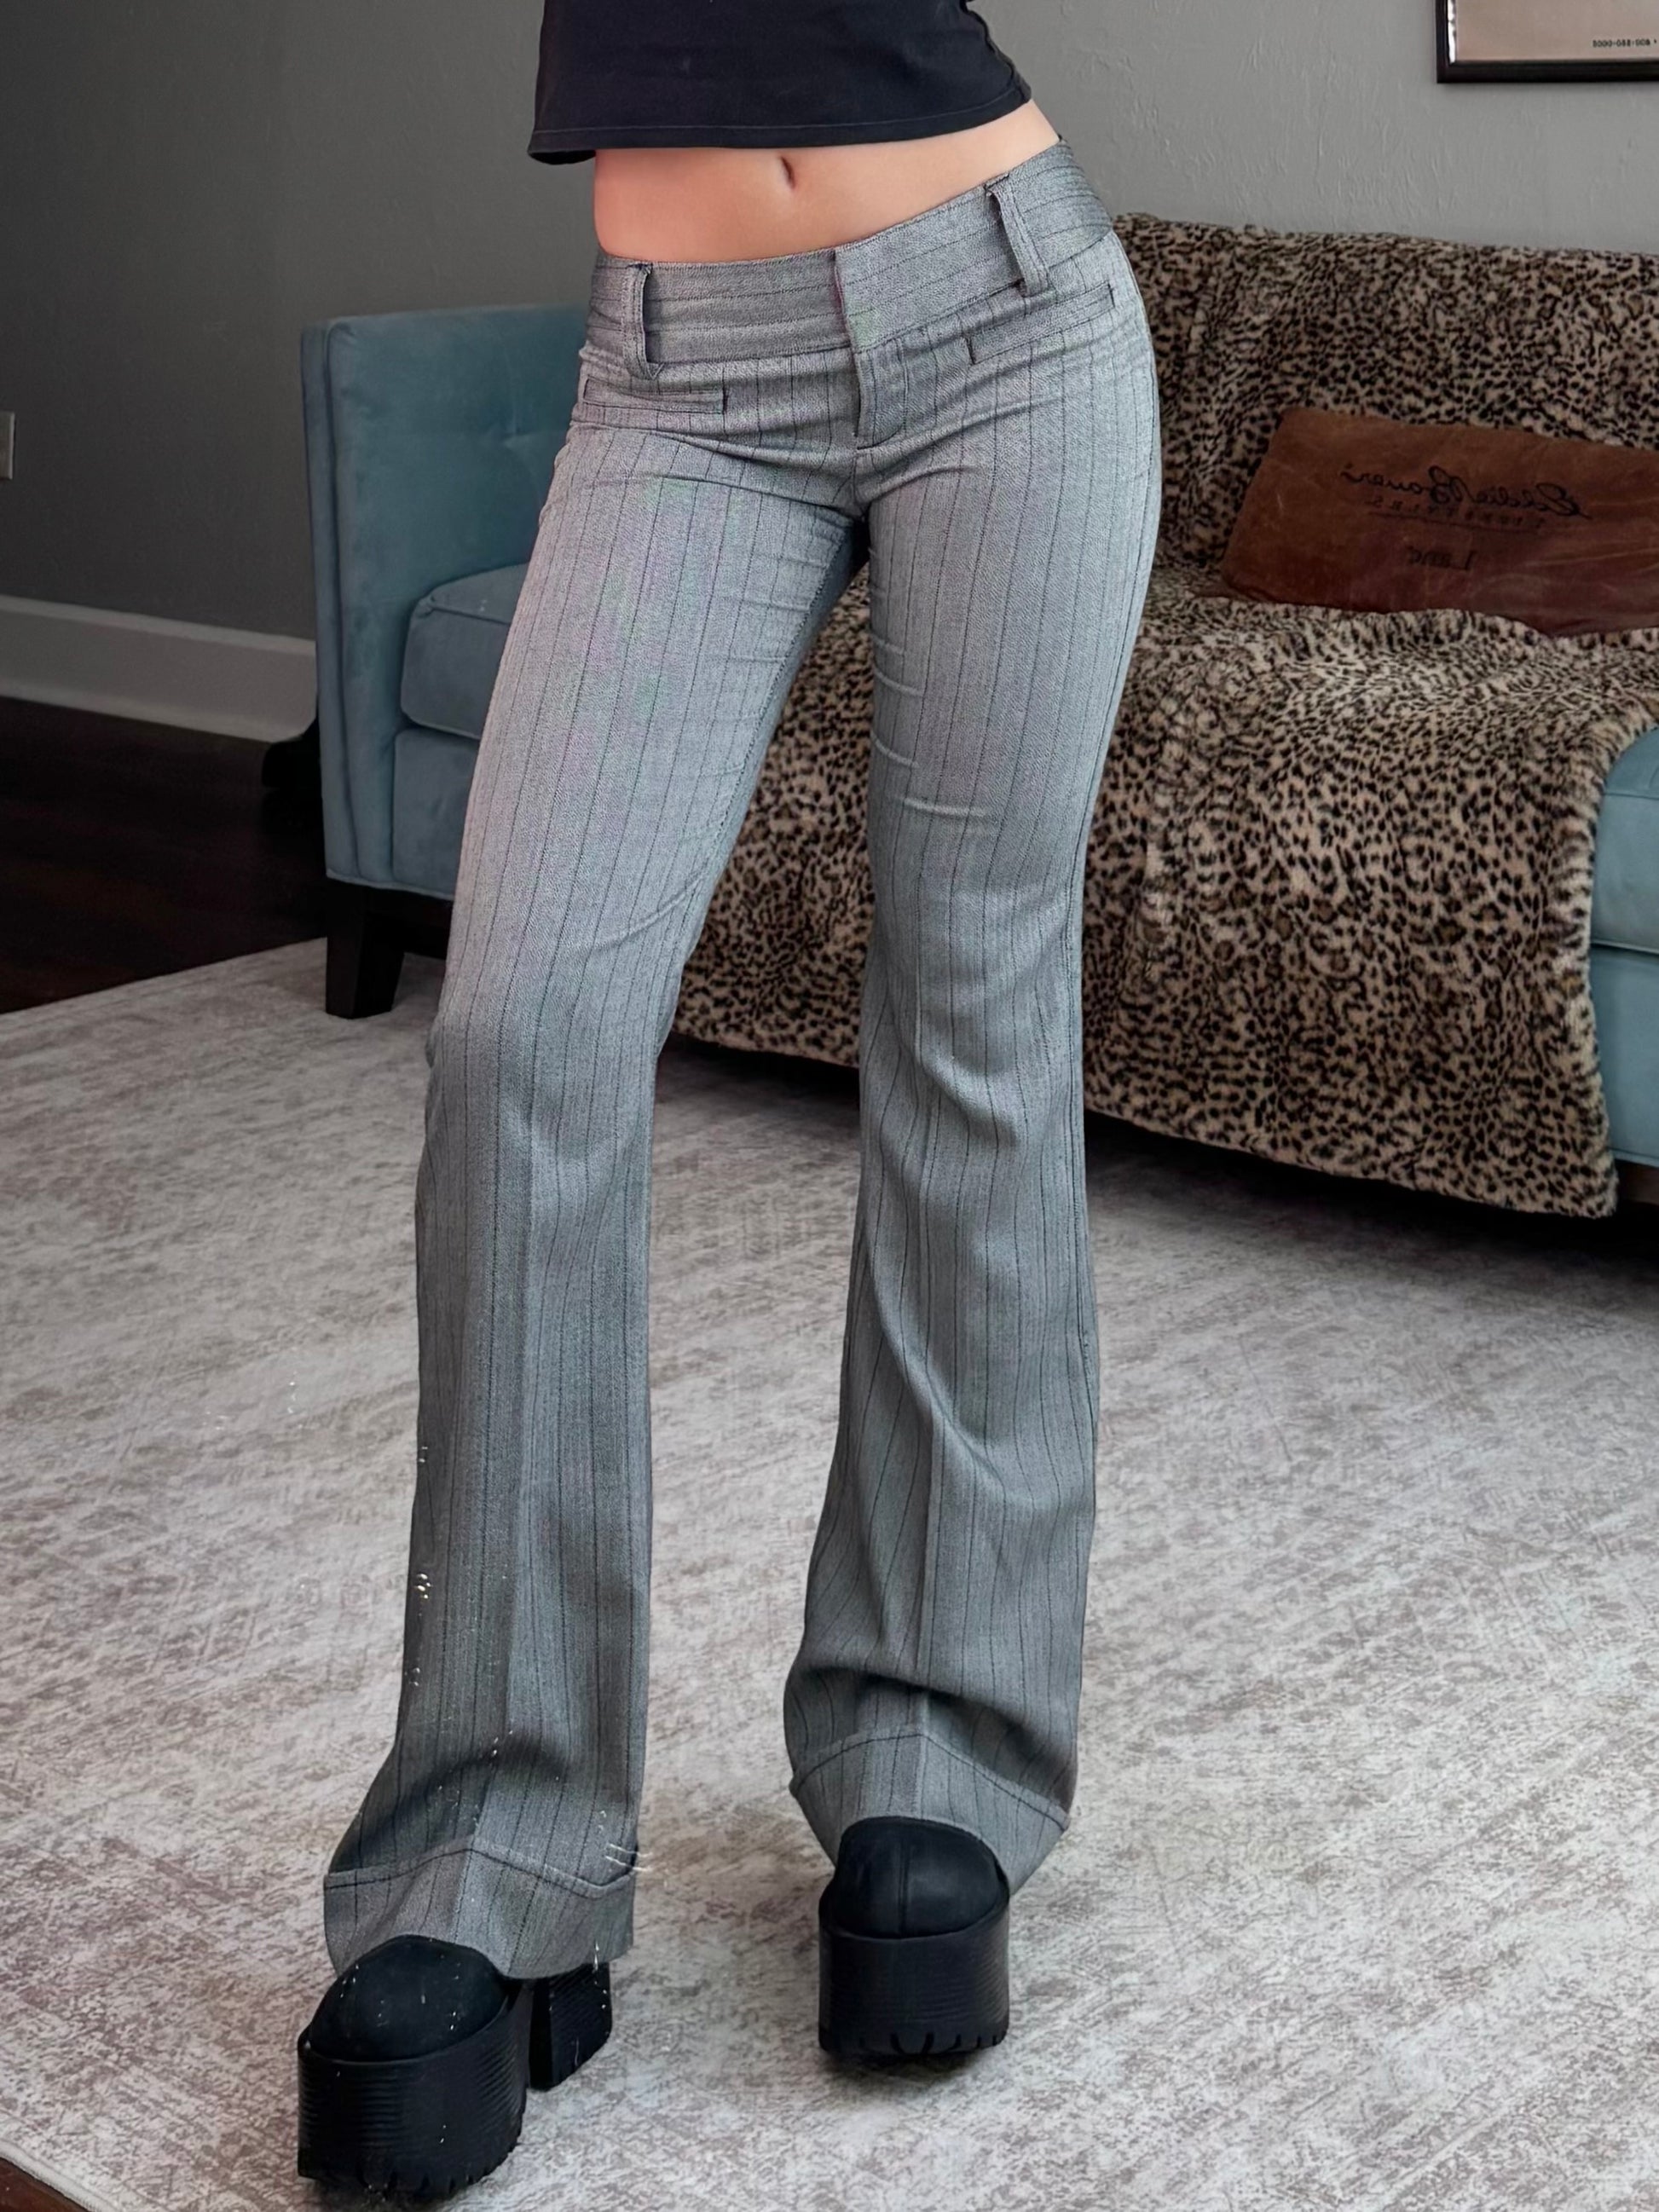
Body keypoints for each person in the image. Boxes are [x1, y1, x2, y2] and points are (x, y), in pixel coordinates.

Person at [295, 2, 1163, 2195]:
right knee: (518, 1033)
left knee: (970, 1019)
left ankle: (936, 1755)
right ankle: (494, 1846)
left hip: (1009, 314)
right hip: (678, 372)